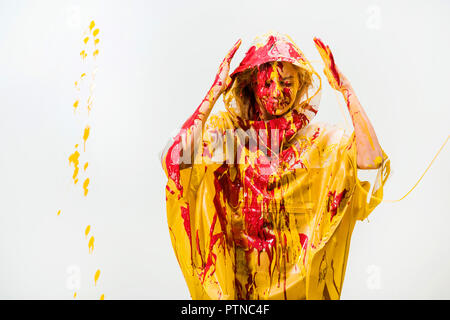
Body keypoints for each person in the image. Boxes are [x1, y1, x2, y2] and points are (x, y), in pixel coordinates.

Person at [161, 32, 390, 300]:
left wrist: (347, 90)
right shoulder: (229, 136)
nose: (277, 92)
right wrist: (212, 94)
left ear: (302, 83)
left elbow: (370, 158)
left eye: (286, 82)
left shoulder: (320, 143)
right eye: (267, 83)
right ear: (250, 85)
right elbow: (176, 161)